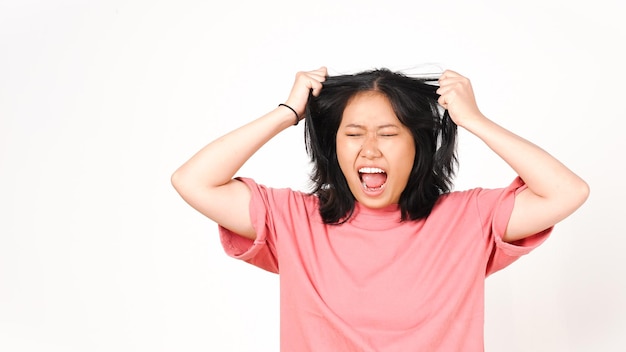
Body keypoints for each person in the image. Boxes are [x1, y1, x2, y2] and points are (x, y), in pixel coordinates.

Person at [171, 67, 589, 351]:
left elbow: (565, 192)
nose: (369, 148)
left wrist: (474, 120)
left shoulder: (468, 219)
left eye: (388, 133)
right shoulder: (293, 221)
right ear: (333, 147)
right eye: (353, 133)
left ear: (418, 147)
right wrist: (286, 114)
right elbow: (193, 181)